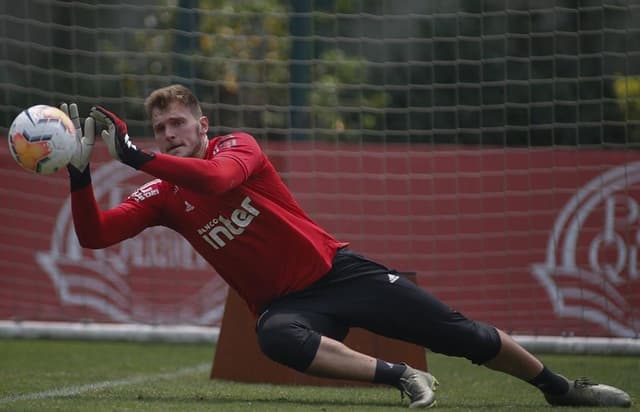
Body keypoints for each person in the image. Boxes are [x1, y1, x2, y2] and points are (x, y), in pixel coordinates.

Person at [61, 84, 632, 409]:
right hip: (287, 305)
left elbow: (217, 183)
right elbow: (93, 235)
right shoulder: (161, 192)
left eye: (178, 124)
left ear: (202, 124)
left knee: (460, 334)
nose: (169, 135)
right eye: (160, 129)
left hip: (337, 271)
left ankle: (559, 389)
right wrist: (81, 174)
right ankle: (402, 376)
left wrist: (134, 154)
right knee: (275, 338)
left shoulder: (237, 146)